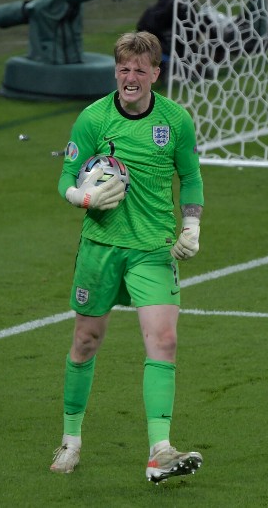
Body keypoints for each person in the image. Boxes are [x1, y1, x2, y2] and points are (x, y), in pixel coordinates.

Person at [50, 31, 204, 484]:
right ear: (116, 70)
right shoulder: (93, 119)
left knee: (165, 340)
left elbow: (190, 177)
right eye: (123, 68)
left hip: (153, 250)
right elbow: (65, 175)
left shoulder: (175, 121)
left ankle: (160, 451)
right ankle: (71, 440)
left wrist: (191, 224)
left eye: (140, 69)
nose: (130, 77)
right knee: (86, 341)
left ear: (156, 73)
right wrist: (83, 197)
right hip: (101, 249)